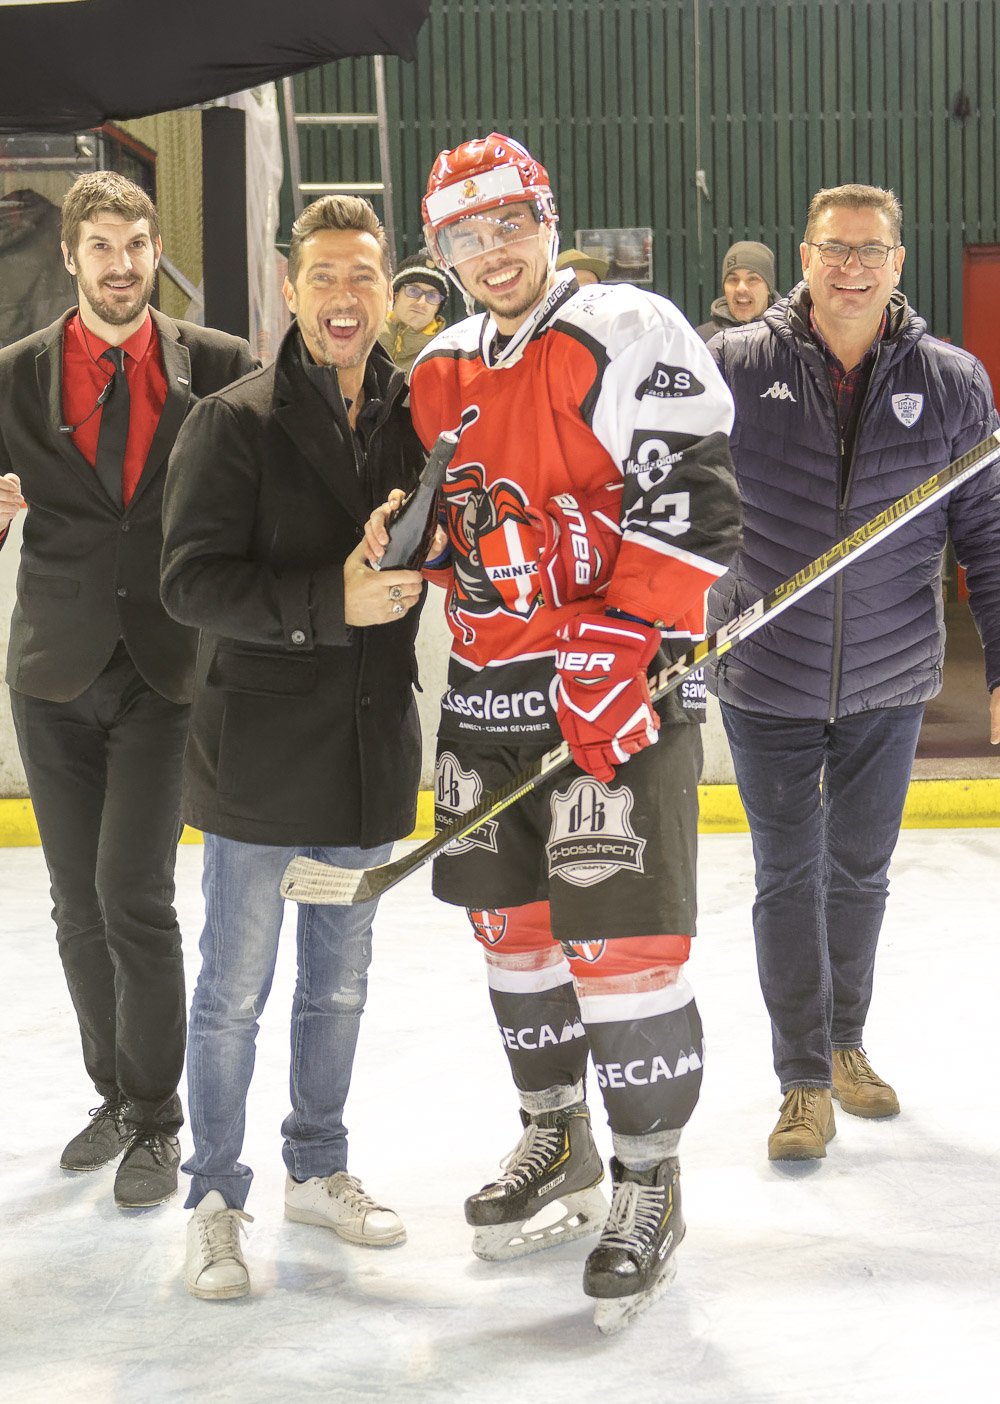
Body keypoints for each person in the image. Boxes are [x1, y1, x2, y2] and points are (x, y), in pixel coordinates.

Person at [367, 133, 740, 1330]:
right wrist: (409, 539)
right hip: (487, 698)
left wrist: (625, 634)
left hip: (611, 695)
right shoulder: (438, 366)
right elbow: (441, 518)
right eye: (463, 236)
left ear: (547, 218)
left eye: (509, 225)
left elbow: (693, 494)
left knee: (621, 946)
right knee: (513, 937)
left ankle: (648, 1181)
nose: (491, 253)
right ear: (440, 249)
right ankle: (557, 1137)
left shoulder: (628, 327)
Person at [160, 194, 427, 1301]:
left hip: (368, 750)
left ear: (387, 292)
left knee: (339, 987)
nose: (343, 296)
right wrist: (332, 599)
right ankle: (214, 1198)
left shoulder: (419, 413)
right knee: (234, 991)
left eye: (362, 275)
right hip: (264, 762)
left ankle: (317, 1167)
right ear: (289, 289)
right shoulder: (233, 421)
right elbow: (189, 583)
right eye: (323, 276)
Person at [705, 182, 1000, 1162]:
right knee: (788, 875)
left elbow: (986, 534)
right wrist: (687, 622)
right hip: (766, 673)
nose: (852, 268)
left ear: (897, 263)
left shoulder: (950, 381)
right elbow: (679, 505)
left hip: (890, 673)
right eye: (835, 248)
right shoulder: (735, 366)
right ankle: (800, 1082)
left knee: (861, 872)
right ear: (805, 257)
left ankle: (844, 1045)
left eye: (871, 250)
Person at [0, 171, 254, 1207]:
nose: (120, 264)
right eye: (100, 246)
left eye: (135, 245)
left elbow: (261, 501)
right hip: (52, 670)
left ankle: (157, 1113)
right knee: (74, 903)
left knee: (132, 895)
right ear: (70, 255)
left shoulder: (221, 367)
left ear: (155, 250)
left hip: (166, 667)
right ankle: (112, 1093)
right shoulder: (13, 375)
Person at [378, 248, 449, 378]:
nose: (421, 302)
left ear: (438, 307)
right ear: (395, 294)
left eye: (432, 296)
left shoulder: (446, 354)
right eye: (413, 291)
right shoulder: (367, 336)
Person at [696, 241, 777, 340]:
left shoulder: (788, 340)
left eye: (752, 279)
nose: (741, 288)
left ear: (768, 288)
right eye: (733, 280)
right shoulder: (700, 340)